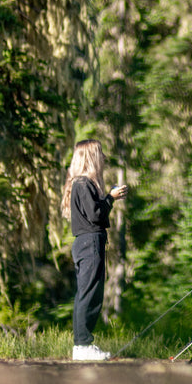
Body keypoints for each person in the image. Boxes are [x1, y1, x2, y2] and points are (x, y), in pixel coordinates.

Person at [61, 139, 127, 360]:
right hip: (89, 243)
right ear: (91, 158)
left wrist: (107, 198)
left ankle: (83, 344)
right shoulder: (83, 184)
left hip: (89, 242)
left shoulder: (81, 184)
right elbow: (95, 215)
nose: (104, 159)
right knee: (89, 293)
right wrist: (110, 198)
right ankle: (82, 345)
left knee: (90, 292)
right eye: (100, 154)